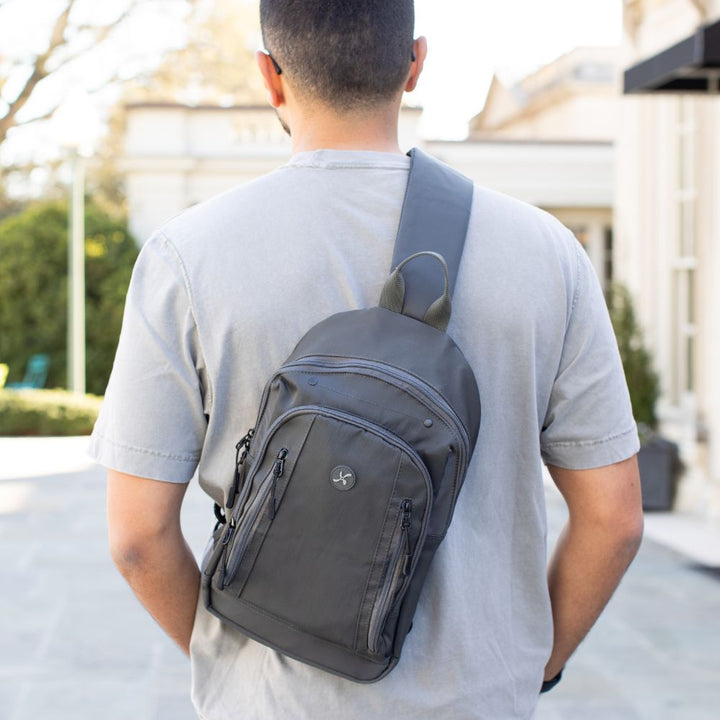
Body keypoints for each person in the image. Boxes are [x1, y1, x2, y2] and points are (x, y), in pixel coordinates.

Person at [89, 1, 644, 718]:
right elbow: (615, 521)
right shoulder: (549, 255)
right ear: (414, 64)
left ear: (270, 76)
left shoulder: (186, 257)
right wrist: (532, 668)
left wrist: (232, 669)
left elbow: (137, 538)